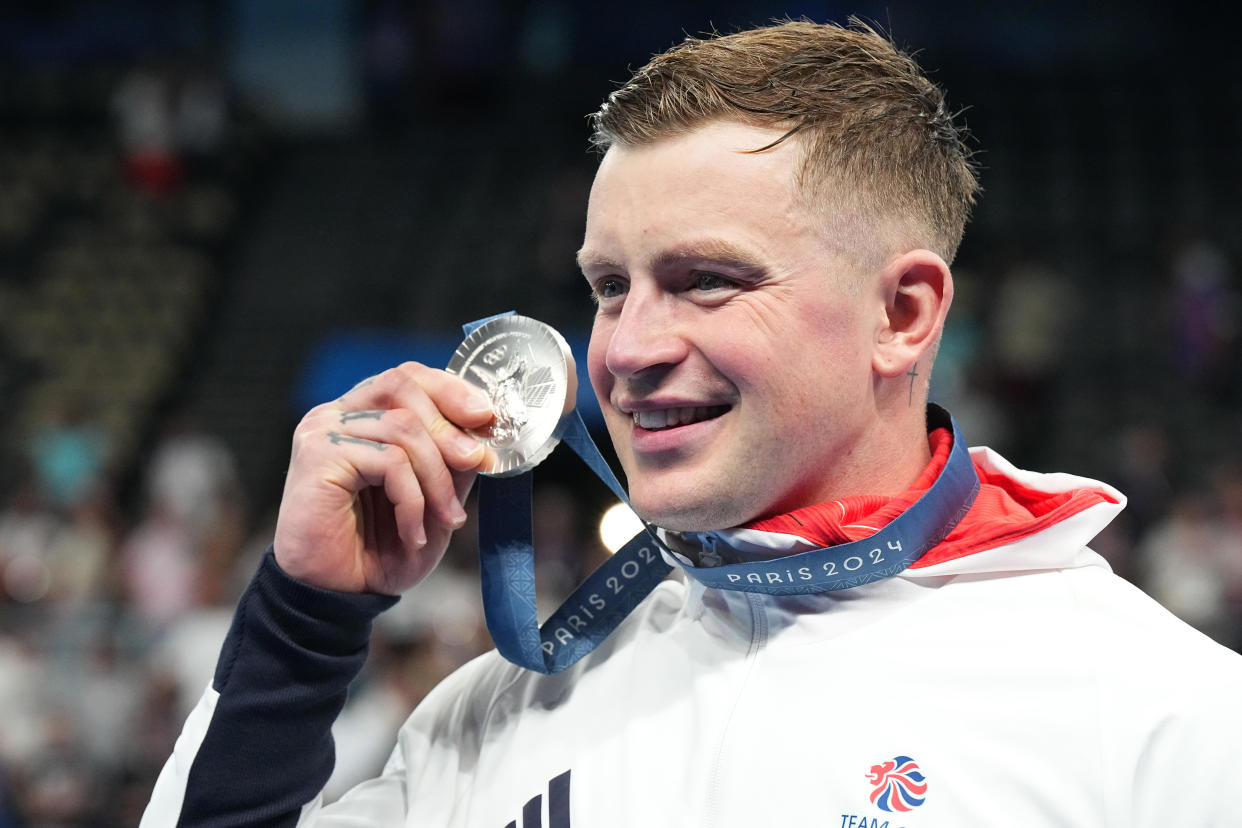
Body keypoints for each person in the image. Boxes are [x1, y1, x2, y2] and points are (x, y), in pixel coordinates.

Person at [142, 19, 1242, 827]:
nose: (622, 351)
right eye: (611, 286)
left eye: (707, 280)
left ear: (902, 315)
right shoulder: (497, 715)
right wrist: (301, 622)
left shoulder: (1156, 717)